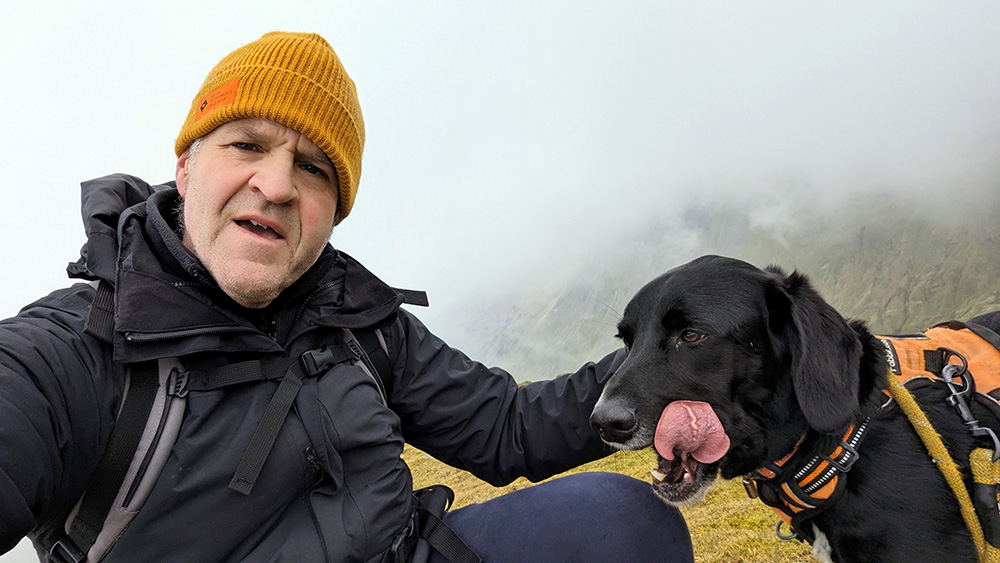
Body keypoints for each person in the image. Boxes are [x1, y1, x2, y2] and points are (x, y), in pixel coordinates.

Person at [0, 32, 694, 562]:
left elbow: (508, 425)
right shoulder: (72, 350)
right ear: (186, 166)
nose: (275, 185)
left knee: (624, 519)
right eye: (246, 144)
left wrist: (673, 361)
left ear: (334, 209)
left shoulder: (359, 318)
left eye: (312, 167)